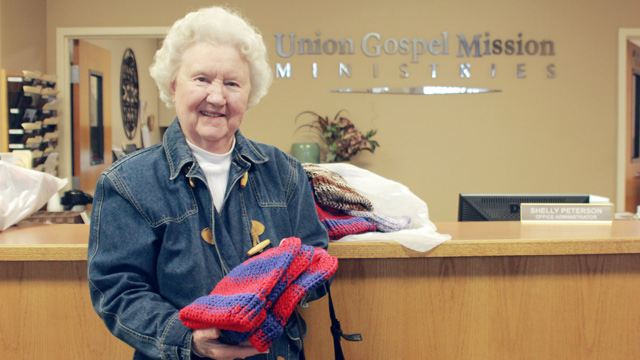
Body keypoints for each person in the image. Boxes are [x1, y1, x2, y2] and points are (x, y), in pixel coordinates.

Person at [87, 6, 330, 360]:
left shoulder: (285, 171)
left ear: (250, 93)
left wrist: (283, 294)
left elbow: (315, 255)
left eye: (232, 83)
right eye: (201, 79)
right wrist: (187, 339)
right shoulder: (126, 182)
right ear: (173, 84)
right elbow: (117, 290)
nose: (217, 97)